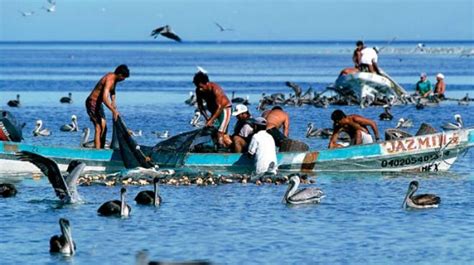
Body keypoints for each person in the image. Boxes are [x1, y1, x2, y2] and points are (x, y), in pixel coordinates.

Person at [85, 64, 129, 149]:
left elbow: (112, 92)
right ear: (120, 74)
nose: (123, 80)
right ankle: (97, 151)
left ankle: (101, 149)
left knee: (104, 128)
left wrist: (113, 102)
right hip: (92, 103)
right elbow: (105, 98)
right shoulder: (109, 79)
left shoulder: (115, 79)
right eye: (123, 78)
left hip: (98, 104)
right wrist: (113, 111)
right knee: (98, 127)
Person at [193, 70, 232, 146]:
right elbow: (200, 106)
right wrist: (207, 118)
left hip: (224, 109)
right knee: (214, 131)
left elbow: (220, 107)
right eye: (198, 87)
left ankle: (225, 149)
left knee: (220, 132)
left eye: (201, 87)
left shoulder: (215, 89)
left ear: (206, 83)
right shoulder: (198, 90)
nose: (200, 89)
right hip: (215, 112)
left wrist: (211, 120)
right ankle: (223, 146)